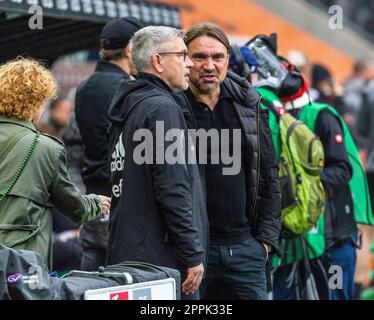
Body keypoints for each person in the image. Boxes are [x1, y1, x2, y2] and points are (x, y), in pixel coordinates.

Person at [106, 26, 208, 300]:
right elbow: (172, 188)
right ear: (158, 61)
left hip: (129, 253)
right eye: (182, 55)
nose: (190, 63)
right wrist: (192, 253)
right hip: (163, 262)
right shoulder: (162, 108)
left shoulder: (130, 104)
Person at [184, 22, 281, 300]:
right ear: (184, 60)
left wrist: (264, 241)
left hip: (245, 248)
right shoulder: (171, 106)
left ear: (228, 59)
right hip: (192, 254)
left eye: (218, 57)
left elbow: (269, 175)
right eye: (199, 57)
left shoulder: (250, 105)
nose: (209, 65)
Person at [0, 57, 111, 268]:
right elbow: (74, 207)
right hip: (21, 260)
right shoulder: (45, 147)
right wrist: (97, 202)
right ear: (34, 102)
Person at [75, 17, 143, 271]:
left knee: (91, 282)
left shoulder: (85, 86)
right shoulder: (127, 88)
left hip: (92, 196)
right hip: (120, 201)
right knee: (125, 281)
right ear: (128, 49)